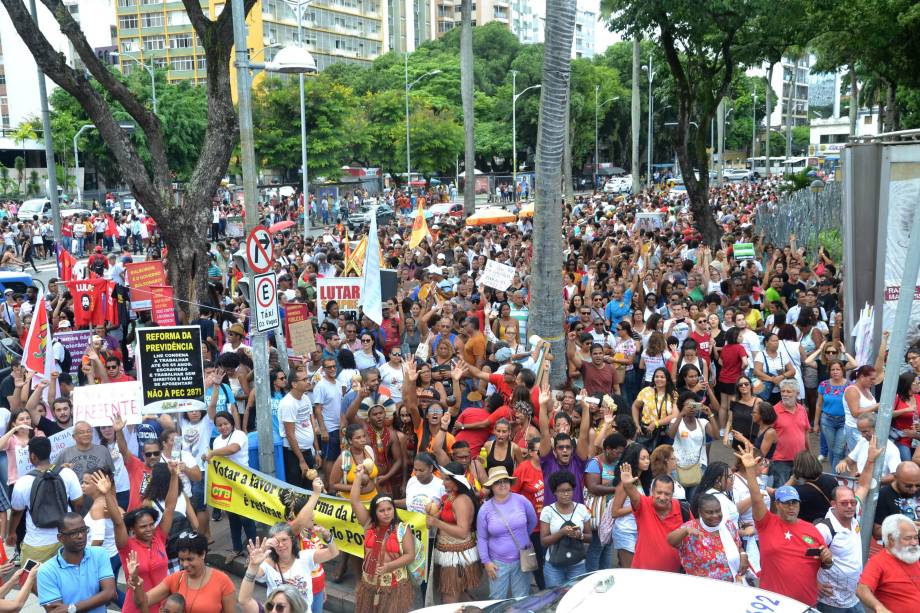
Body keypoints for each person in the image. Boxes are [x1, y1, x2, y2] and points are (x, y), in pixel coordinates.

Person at [737, 439, 833, 606]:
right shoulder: (767, 523)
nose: (791, 507)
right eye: (786, 503)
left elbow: (822, 564)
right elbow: (756, 498)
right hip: (773, 604)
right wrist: (750, 470)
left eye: (794, 503)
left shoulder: (812, 530)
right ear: (777, 504)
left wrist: (828, 561)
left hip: (805, 605)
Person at [815, 436, 880, 613]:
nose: (851, 506)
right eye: (844, 503)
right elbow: (802, 558)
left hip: (853, 598)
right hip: (830, 603)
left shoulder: (854, 514)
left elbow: (864, 484)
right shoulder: (824, 529)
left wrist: (870, 459)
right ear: (833, 504)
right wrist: (815, 584)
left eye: (852, 502)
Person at [348, 462, 416, 612]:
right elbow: (354, 500)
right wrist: (358, 476)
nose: (387, 513)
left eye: (389, 509)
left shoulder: (402, 529)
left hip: (394, 585)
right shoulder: (368, 524)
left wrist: (388, 567)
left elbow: (410, 555)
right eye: (382, 510)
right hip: (369, 583)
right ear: (374, 512)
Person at [8, 437, 84, 564]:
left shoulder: (23, 482)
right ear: (50, 452)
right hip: (66, 539)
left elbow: (16, 512)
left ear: (32, 456)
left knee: (32, 581)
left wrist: (11, 533)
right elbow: (79, 503)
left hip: (37, 543)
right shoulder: (67, 473)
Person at [129, 532, 236, 613]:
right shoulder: (175, 579)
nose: (184, 564)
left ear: (203, 554)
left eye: (190, 559)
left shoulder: (223, 581)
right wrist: (135, 583)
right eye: (181, 559)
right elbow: (143, 602)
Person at [241, 523, 339, 611]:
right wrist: (253, 562)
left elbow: (333, 553)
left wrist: (327, 537)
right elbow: (251, 575)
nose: (281, 545)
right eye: (276, 541)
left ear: (292, 540)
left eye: (284, 540)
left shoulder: (305, 557)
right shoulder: (268, 564)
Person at [203, 410, 257, 562]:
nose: (223, 427)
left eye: (225, 423)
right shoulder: (217, 440)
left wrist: (212, 453)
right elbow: (215, 460)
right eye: (219, 425)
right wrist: (208, 456)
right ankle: (237, 548)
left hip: (242, 482)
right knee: (232, 518)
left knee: (246, 518)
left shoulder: (239, 435)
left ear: (232, 423)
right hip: (226, 484)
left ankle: (254, 552)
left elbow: (233, 449)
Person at [477, 466, 537, 600]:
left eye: (505, 480)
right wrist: (486, 562)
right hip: (497, 562)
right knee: (497, 599)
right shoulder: (485, 509)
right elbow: (481, 538)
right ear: (491, 486)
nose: (502, 484)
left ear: (510, 483)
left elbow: (532, 521)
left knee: (521, 598)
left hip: (522, 559)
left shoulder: (521, 500)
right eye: (498, 482)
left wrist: (522, 537)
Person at [36, 512, 116, 613]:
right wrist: (100, 598)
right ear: (60, 538)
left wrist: (72, 608)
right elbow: (56, 611)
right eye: (73, 533)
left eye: (83, 530)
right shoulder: (46, 570)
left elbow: (110, 593)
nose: (80, 536)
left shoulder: (100, 554)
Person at [426, 462, 482, 603]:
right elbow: (442, 516)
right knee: (457, 593)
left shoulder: (461, 501)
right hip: (448, 553)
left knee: (449, 597)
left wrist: (437, 523)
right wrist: (434, 513)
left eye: (446, 479)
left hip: (456, 556)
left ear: (455, 481)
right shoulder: (450, 498)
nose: (443, 483)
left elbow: (463, 532)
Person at [618, 460, 686, 573]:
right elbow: (633, 494)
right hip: (643, 575)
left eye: (667, 494)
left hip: (673, 577)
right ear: (652, 491)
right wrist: (627, 485)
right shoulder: (643, 504)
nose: (662, 497)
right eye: (659, 492)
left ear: (673, 494)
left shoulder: (683, 509)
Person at [667, 493, 747, 582]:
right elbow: (670, 540)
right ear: (700, 512)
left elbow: (739, 546)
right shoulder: (691, 527)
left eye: (718, 511)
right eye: (710, 512)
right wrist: (685, 531)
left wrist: (743, 555)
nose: (715, 515)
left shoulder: (728, 525)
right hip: (703, 588)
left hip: (732, 584)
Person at [857, 514, 920, 613]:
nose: (914, 542)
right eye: (908, 538)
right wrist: (879, 607)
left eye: (916, 538)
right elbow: (862, 589)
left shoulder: (913, 556)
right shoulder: (878, 562)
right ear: (891, 539)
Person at [583, 432, 627, 571]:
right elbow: (593, 487)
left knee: (607, 548)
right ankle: (591, 578)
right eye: (617, 452)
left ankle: (605, 576)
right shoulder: (594, 464)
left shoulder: (618, 464)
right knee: (596, 549)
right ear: (607, 449)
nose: (619, 456)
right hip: (598, 513)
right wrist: (618, 489)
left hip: (611, 512)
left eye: (621, 453)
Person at [539, 470, 591, 586]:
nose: (566, 494)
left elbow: (590, 537)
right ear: (554, 493)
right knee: (555, 599)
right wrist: (561, 533)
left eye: (568, 490)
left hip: (578, 564)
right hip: (554, 566)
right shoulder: (548, 511)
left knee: (576, 597)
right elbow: (544, 541)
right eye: (561, 491)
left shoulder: (581, 509)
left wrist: (579, 535)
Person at [772, 379, 810, 487]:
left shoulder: (802, 410)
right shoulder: (774, 411)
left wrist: (809, 453)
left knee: (801, 490)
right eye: (783, 391)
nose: (785, 394)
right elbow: (766, 435)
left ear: (797, 393)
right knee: (781, 493)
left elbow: (806, 433)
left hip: (800, 460)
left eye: (789, 391)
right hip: (780, 461)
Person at [872, 461, 920, 540]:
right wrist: (903, 528)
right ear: (895, 478)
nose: (914, 489)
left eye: (918, 485)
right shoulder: (884, 495)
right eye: (908, 486)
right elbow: (876, 532)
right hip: (898, 548)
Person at [815, 360, 850, 469]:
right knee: (832, 449)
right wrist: (816, 423)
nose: (835, 372)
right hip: (827, 421)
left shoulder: (850, 385)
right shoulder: (824, 385)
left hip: (844, 421)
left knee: (838, 449)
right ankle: (838, 469)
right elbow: (819, 405)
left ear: (842, 370)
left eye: (838, 369)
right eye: (832, 369)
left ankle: (836, 476)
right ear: (829, 371)